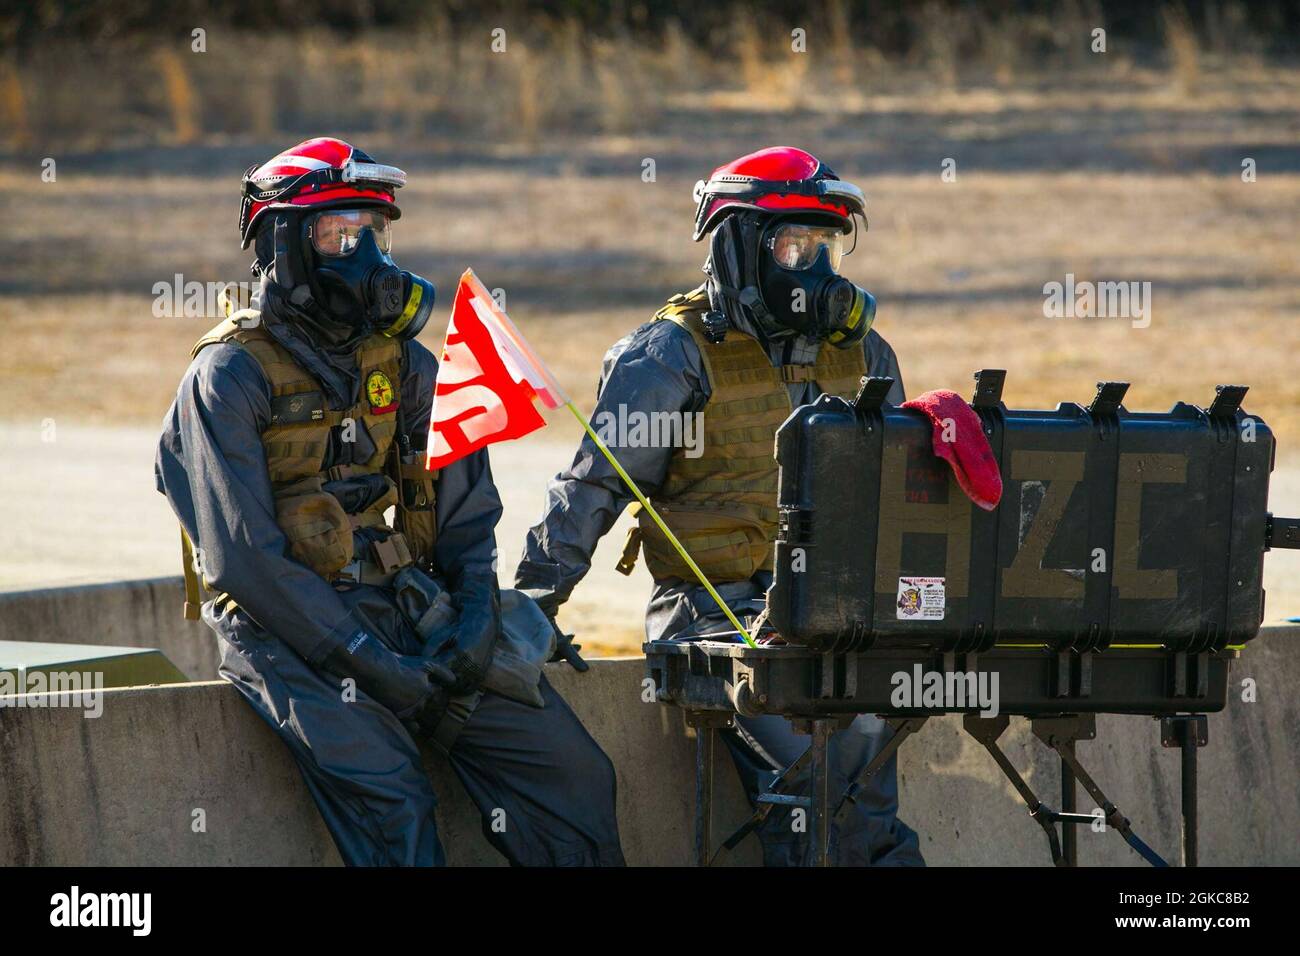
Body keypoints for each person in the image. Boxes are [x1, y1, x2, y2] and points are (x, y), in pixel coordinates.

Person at [156, 137, 624, 866]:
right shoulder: (228, 376)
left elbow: (466, 509)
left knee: (574, 776)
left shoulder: (403, 360)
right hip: (289, 633)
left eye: (374, 232)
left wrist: (472, 618)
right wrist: (368, 663)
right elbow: (245, 560)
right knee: (395, 806)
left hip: (408, 606)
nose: (366, 253)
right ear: (284, 243)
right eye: (340, 233)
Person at [515, 146, 923, 866]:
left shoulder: (864, 353)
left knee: (865, 746)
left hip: (833, 615)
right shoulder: (670, 354)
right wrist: (530, 608)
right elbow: (593, 485)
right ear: (739, 248)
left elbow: (904, 494)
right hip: (709, 615)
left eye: (825, 244)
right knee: (826, 759)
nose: (817, 267)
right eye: (794, 244)